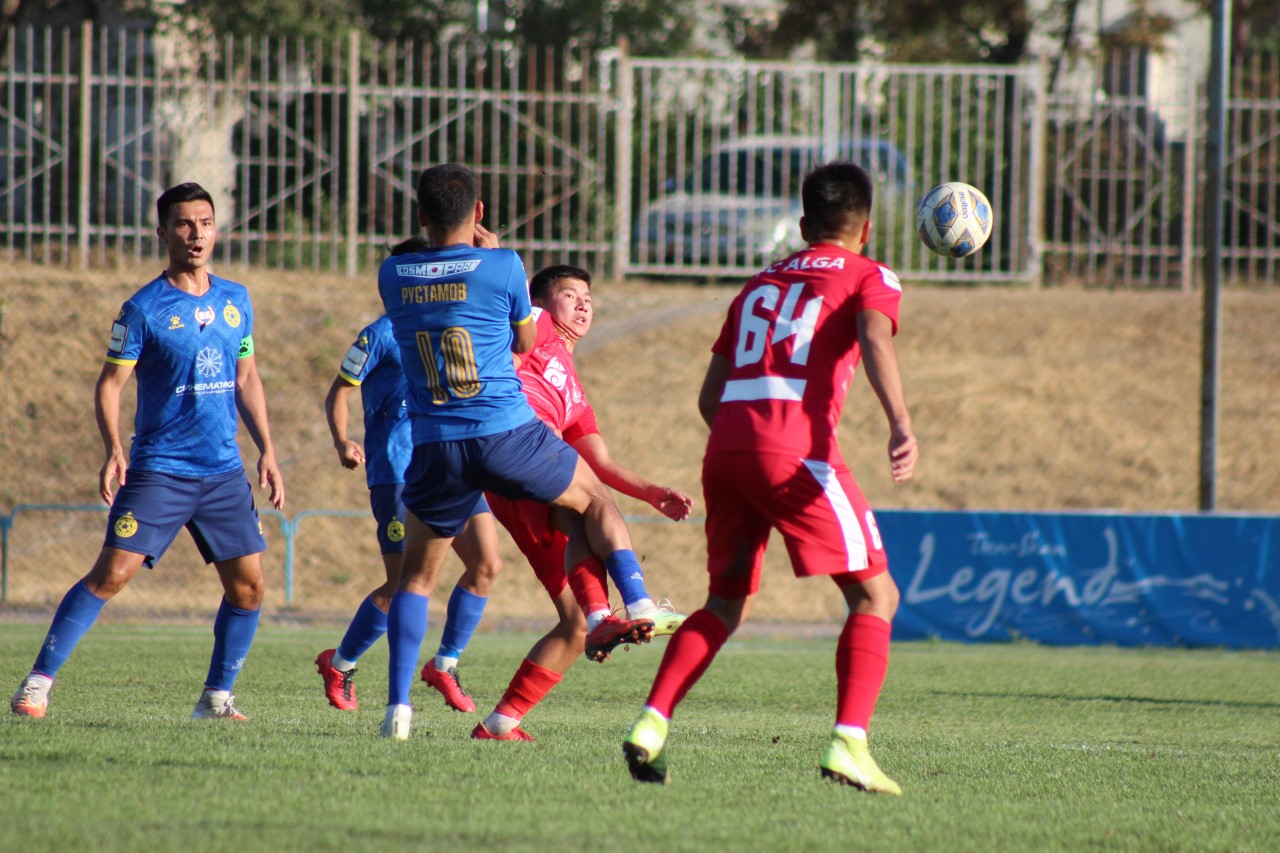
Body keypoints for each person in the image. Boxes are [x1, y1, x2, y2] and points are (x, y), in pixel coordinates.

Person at [621, 162, 919, 794]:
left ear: (804, 226)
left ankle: (652, 721)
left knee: (723, 605)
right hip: (797, 451)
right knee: (876, 597)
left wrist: (746, 444)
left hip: (726, 450)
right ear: (866, 229)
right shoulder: (870, 274)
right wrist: (900, 422)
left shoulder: (758, 284)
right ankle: (849, 743)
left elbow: (709, 398)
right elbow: (875, 337)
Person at [375, 163, 657, 741]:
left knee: (416, 580)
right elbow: (525, 338)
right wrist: (497, 263)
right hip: (504, 434)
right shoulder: (504, 265)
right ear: (478, 212)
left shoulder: (392, 273)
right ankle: (634, 605)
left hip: (435, 443)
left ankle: (398, 712)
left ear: (421, 215)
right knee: (592, 501)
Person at [10, 182, 286, 721]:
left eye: (205, 223)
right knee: (112, 574)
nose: (196, 234)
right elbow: (110, 384)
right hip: (162, 469)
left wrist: (268, 450)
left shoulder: (236, 300)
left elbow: (247, 377)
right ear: (163, 232)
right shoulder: (142, 309)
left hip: (224, 472)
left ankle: (216, 699)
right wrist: (114, 448)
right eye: (184, 224)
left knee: (249, 589)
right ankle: (36, 684)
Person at [472, 264, 692, 741]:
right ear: (541, 303)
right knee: (596, 502)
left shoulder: (573, 392)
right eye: (570, 294)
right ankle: (638, 606)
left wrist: (651, 492)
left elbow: (601, 461)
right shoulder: (537, 325)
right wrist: (490, 254)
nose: (583, 303)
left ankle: (500, 724)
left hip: (518, 477)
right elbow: (508, 323)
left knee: (572, 619)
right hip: (516, 447)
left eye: (588, 297)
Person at [314, 238, 503, 714]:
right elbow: (339, 392)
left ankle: (445, 664)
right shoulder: (379, 335)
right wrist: (342, 440)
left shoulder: (452, 326)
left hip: (454, 463)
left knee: (486, 564)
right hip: (399, 472)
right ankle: (341, 662)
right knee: (404, 583)